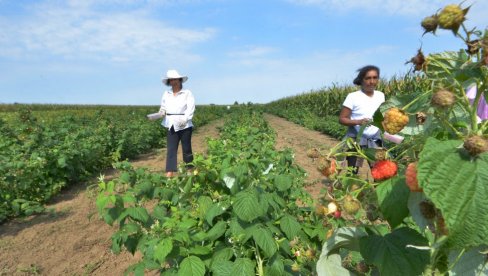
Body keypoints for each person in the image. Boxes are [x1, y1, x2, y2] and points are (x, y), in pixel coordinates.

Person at [339, 65, 385, 174]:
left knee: (378, 171)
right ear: (361, 80)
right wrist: (358, 122)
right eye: (368, 78)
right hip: (356, 140)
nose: (372, 81)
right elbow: (342, 119)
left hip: (374, 140)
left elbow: (382, 116)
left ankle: (377, 190)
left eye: (375, 77)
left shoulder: (381, 96)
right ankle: (350, 187)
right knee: (354, 169)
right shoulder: (353, 97)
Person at [159, 69, 195, 177]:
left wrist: (185, 119)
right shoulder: (166, 94)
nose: (173, 82)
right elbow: (163, 107)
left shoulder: (187, 93)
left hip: (185, 124)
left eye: (175, 79)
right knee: (171, 149)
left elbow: (191, 107)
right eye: (171, 80)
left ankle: (189, 172)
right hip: (171, 124)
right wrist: (160, 113)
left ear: (180, 80)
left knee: (187, 149)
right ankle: (170, 173)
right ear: (169, 82)